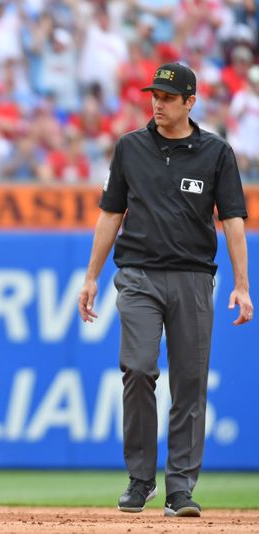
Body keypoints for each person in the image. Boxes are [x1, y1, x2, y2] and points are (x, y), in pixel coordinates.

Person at [77, 63, 253, 518]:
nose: (158, 102)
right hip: (137, 274)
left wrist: (242, 284)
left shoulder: (216, 152)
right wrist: (91, 276)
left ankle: (180, 488)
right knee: (137, 369)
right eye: (154, 94)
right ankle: (140, 480)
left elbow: (232, 219)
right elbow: (110, 214)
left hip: (194, 277)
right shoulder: (130, 148)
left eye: (168, 97)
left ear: (190, 102)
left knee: (190, 385)